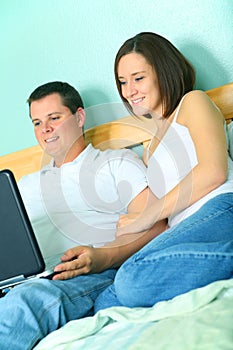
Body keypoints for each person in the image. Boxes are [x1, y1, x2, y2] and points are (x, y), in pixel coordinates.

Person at [0, 81, 167, 349]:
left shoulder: (115, 162)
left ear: (79, 117)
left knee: (22, 305)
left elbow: (157, 225)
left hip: (89, 274)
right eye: (37, 122)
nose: (45, 129)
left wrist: (103, 257)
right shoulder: (23, 186)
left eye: (54, 118)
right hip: (28, 280)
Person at [93, 32, 233, 311]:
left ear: (163, 71)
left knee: (131, 278)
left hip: (221, 207)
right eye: (122, 82)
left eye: (138, 78)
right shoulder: (150, 148)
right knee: (107, 301)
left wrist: (145, 217)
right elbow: (161, 220)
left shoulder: (193, 102)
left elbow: (214, 171)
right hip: (186, 229)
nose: (128, 90)